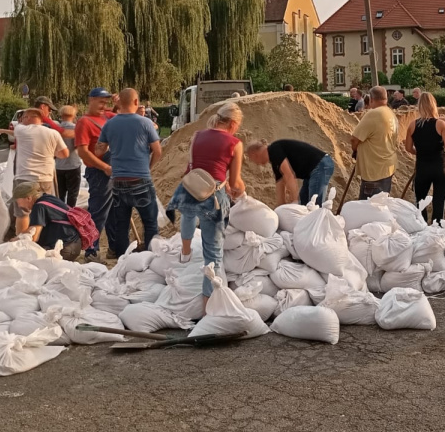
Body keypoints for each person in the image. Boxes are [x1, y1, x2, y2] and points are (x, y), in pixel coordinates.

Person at [167, 101, 245, 301]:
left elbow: (201, 166)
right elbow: (235, 182)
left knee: (189, 214)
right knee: (213, 255)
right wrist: (241, 192)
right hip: (213, 199)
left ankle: (185, 252)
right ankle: (208, 307)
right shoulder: (235, 143)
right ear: (233, 123)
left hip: (189, 188)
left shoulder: (197, 136)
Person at [97, 88, 163, 255]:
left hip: (118, 180)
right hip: (141, 179)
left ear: (119, 102)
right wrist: (149, 167)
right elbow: (158, 150)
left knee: (121, 225)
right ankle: (150, 258)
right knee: (150, 222)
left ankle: (122, 261)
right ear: (135, 102)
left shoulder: (109, 124)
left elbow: (100, 150)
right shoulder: (145, 123)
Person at [4, 109, 69, 237]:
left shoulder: (21, 130)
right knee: (41, 210)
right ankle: (37, 242)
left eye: (23, 117)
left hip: (25, 177)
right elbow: (64, 153)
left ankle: (21, 243)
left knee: (22, 213)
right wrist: (50, 153)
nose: (21, 120)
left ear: (28, 117)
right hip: (45, 178)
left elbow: (15, 132)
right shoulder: (53, 133)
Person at [74, 88, 116, 261]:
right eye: (100, 101)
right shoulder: (84, 122)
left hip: (113, 170)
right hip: (99, 173)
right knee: (98, 212)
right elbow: (83, 152)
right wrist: (104, 167)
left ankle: (114, 247)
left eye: (106, 102)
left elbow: (129, 115)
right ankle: (91, 250)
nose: (103, 105)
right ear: (90, 100)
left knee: (115, 211)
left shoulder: (108, 117)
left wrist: (119, 103)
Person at [404, 92, 445, 223]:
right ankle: (437, 229)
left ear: (419, 106)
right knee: (439, 201)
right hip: (440, 165)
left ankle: (422, 227)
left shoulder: (412, 125)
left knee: (420, 202)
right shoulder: (440, 124)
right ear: (434, 106)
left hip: (423, 166)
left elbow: (408, 148)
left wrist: (420, 152)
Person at [247, 139, 335, 205]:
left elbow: (289, 176)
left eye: (253, 160)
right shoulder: (275, 162)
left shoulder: (274, 149)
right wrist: (280, 210)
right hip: (311, 171)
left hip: (321, 164)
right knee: (304, 205)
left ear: (254, 155)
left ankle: (319, 227)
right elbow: (280, 186)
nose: (257, 164)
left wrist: (295, 201)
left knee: (314, 204)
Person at [11, 181, 82, 261]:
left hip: (65, 248)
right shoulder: (47, 198)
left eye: (18, 201)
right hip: (74, 244)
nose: (19, 205)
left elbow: (33, 237)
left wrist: (14, 241)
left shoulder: (39, 207)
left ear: (28, 198)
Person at [351, 86, 399, 198]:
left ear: (371, 99)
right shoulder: (390, 113)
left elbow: (354, 138)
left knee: (369, 209)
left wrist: (355, 150)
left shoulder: (374, 114)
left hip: (374, 170)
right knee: (381, 205)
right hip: (387, 166)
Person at [55, 105, 83, 208]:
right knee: (73, 194)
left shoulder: (55, 130)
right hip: (73, 164)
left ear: (61, 115)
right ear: (73, 115)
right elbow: (77, 147)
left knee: (60, 194)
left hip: (58, 165)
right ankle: (71, 214)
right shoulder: (76, 129)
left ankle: (61, 214)